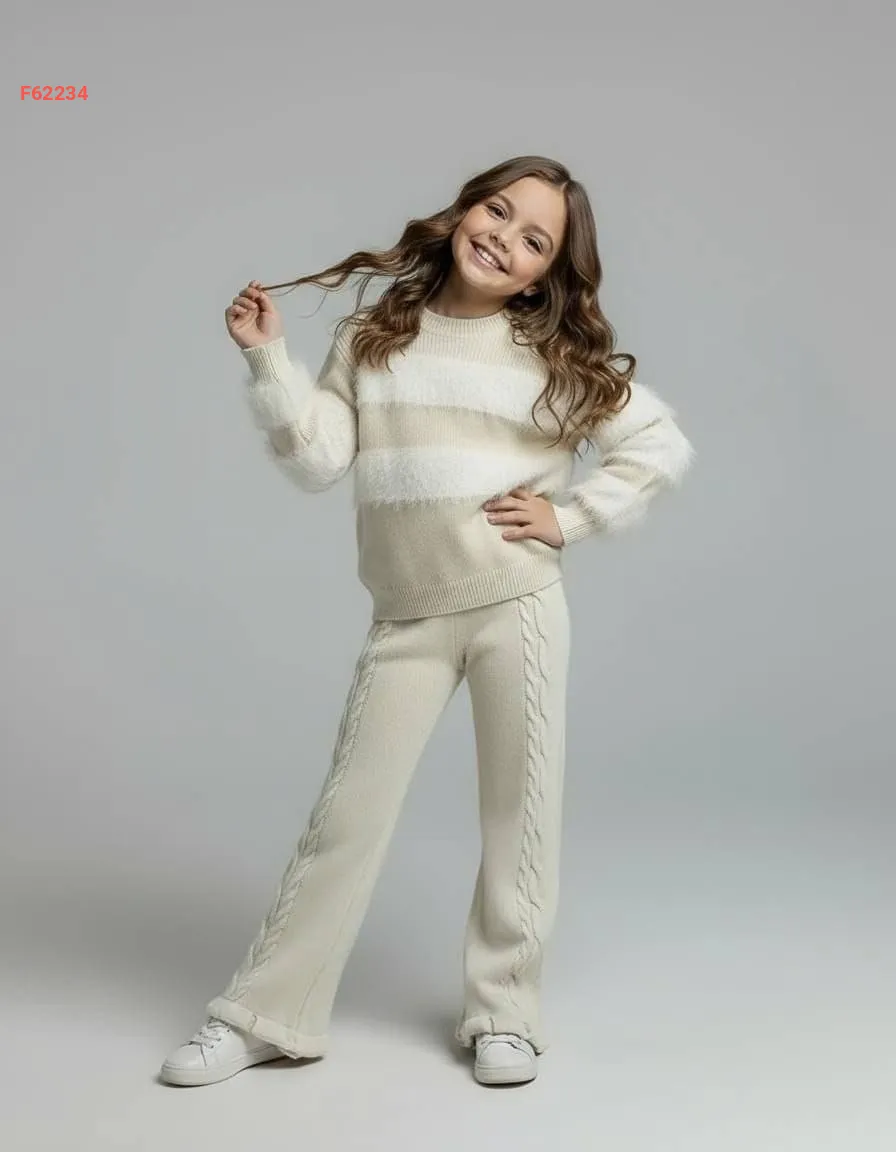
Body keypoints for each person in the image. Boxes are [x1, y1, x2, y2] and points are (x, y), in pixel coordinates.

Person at [159, 155, 693, 1089]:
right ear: (463, 211)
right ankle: (267, 1013)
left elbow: (658, 444)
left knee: (519, 812)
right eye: (498, 211)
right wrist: (267, 358)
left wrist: (569, 518)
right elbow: (318, 459)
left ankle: (505, 1013)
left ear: (543, 275)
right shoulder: (375, 337)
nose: (505, 239)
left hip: (516, 605)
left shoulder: (546, 355)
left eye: (535, 240)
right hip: (407, 616)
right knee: (346, 818)